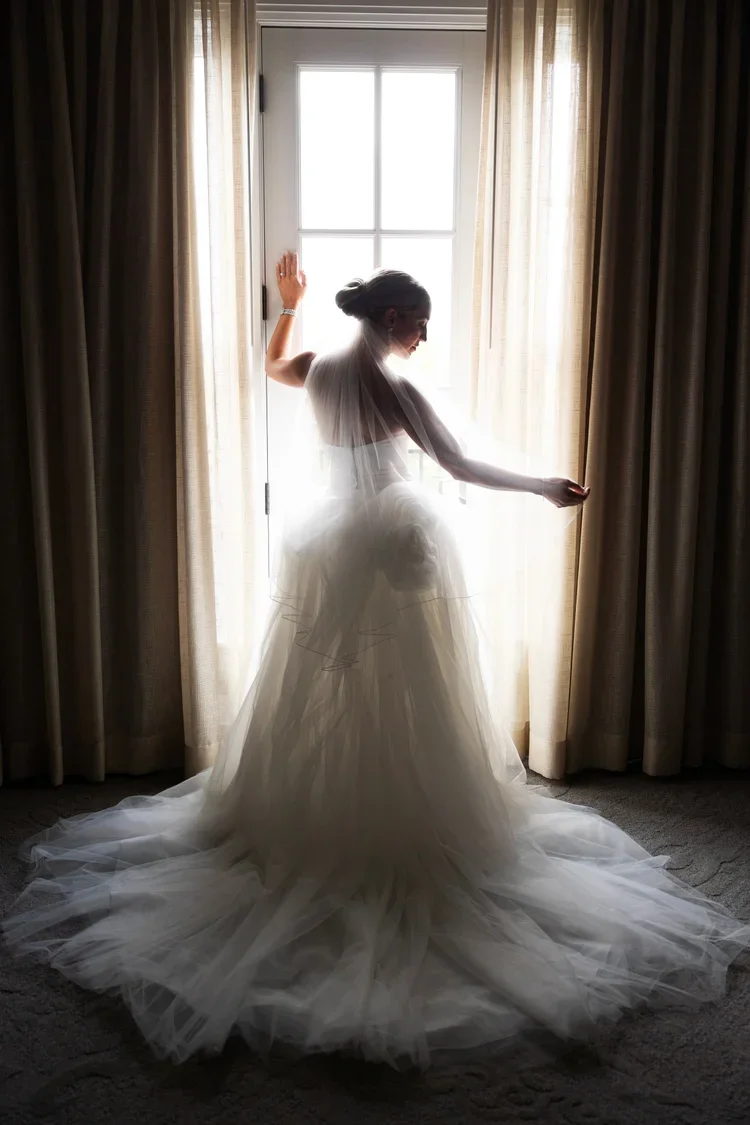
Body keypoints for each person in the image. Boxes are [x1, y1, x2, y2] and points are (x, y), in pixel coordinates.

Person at [3, 256, 748, 1071]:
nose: (424, 339)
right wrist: (544, 486)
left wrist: (288, 307)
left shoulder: (322, 366)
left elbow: (274, 364)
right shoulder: (395, 389)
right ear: (395, 318)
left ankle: (310, 808)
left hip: (330, 548)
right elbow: (458, 467)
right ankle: (405, 817)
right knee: (407, 690)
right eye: (421, 324)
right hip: (391, 555)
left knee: (321, 685)